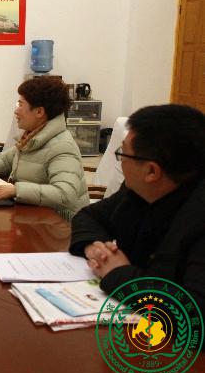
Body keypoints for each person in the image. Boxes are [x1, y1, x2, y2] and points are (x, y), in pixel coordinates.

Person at [70, 104, 205, 312]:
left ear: (151, 172)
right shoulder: (139, 191)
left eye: (123, 153)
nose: (121, 162)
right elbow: (89, 216)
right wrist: (95, 248)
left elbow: (193, 310)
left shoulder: (197, 216)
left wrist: (119, 273)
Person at [0, 77, 89, 220]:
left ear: (39, 112)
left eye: (20, 104)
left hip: (61, 223)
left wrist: (15, 190)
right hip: (35, 214)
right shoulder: (32, 137)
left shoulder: (62, 146)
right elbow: (5, 160)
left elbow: (65, 195)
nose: (16, 111)